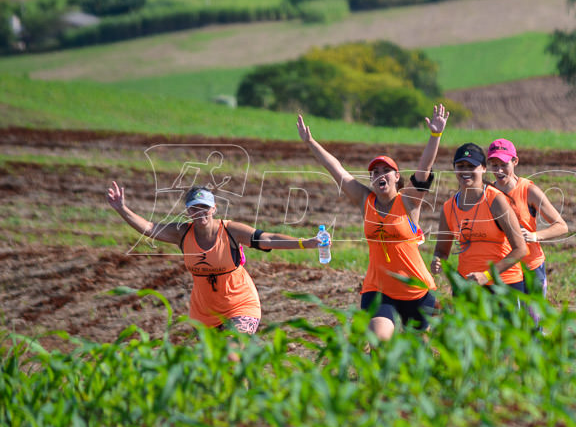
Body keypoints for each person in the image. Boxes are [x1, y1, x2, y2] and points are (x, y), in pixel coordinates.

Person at [297, 105, 449, 342]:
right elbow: (337, 170)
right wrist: (310, 142)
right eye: (375, 171)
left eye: (386, 170)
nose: (380, 174)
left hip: (416, 290)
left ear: (397, 177)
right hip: (379, 289)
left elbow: (424, 168)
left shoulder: (409, 201)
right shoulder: (364, 200)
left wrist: (435, 135)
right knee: (380, 341)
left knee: (420, 353)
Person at [106, 183, 320, 333]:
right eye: (195, 208)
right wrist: (122, 209)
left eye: (205, 208)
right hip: (204, 313)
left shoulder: (231, 231)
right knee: (213, 371)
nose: (201, 212)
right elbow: (150, 228)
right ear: (188, 211)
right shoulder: (182, 233)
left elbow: (269, 239)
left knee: (232, 357)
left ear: (214, 209)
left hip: (240, 305)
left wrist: (305, 242)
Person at [430, 143, 529, 295]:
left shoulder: (496, 200)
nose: (465, 171)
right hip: (467, 286)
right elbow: (441, 251)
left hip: (503, 284)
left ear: (483, 168)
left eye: (471, 166)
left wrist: (487, 275)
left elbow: (520, 249)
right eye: (461, 166)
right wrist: (437, 260)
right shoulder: (448, 207)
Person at [486, 138, 568, 298]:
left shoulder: (528, 190)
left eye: (504, 165)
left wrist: (534, 236)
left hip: (529, 268)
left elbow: (561, 226)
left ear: (515, 161)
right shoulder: (488, 192)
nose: (499, 170)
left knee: (532, 321)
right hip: (502, 268)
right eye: (495, 165)